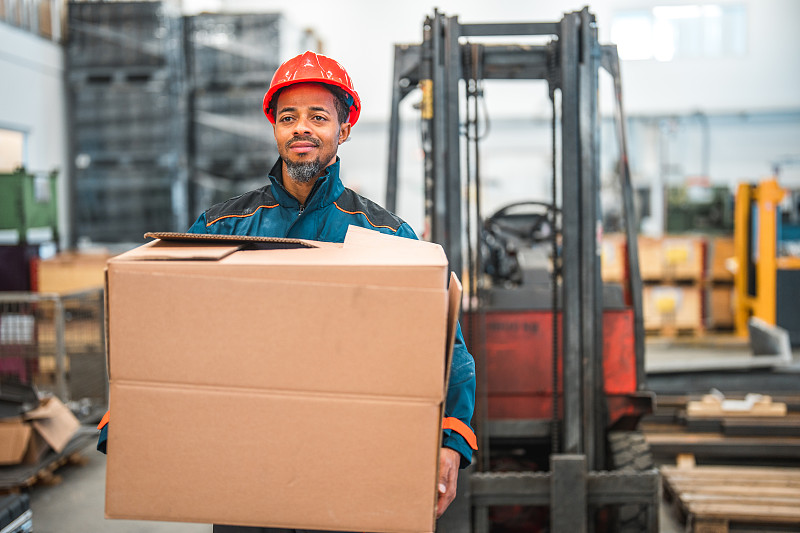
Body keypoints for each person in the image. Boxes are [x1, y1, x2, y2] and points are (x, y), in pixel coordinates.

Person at [98, 51, 476, 531]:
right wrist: (129, 415)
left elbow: (445, 347)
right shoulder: (221, 228)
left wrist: (450, 440)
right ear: (274, 128)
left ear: (344, 129)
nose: (301, 129)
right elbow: (160, 327)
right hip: (244, 462)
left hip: (348, 462)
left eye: (318, 117)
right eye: (288, 117)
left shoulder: (385, 236)